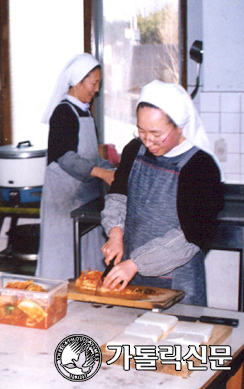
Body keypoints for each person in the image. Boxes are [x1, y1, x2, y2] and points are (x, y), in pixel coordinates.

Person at [100, 80, 224, 306]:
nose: (148, 141)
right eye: (141, 130)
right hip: (130, 272)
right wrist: (115, 233)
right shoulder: (134, 149)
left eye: (156, 133)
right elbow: (118, 194)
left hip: (177, 281)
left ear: (179, 126)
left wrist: (136, 263)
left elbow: (191, 237)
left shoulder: (200, 166)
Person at [36, 53, 115, 281]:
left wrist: (114, 171)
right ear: (78, 82)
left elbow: (93, 157)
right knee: (62, 262)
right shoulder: (63, 113)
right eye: (94, 83)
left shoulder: (85, 112)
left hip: (83, 200)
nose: (96, 90)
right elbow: (67, 159)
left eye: (98, 83)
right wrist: (102, 173)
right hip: (63, 203)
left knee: (87, 259)